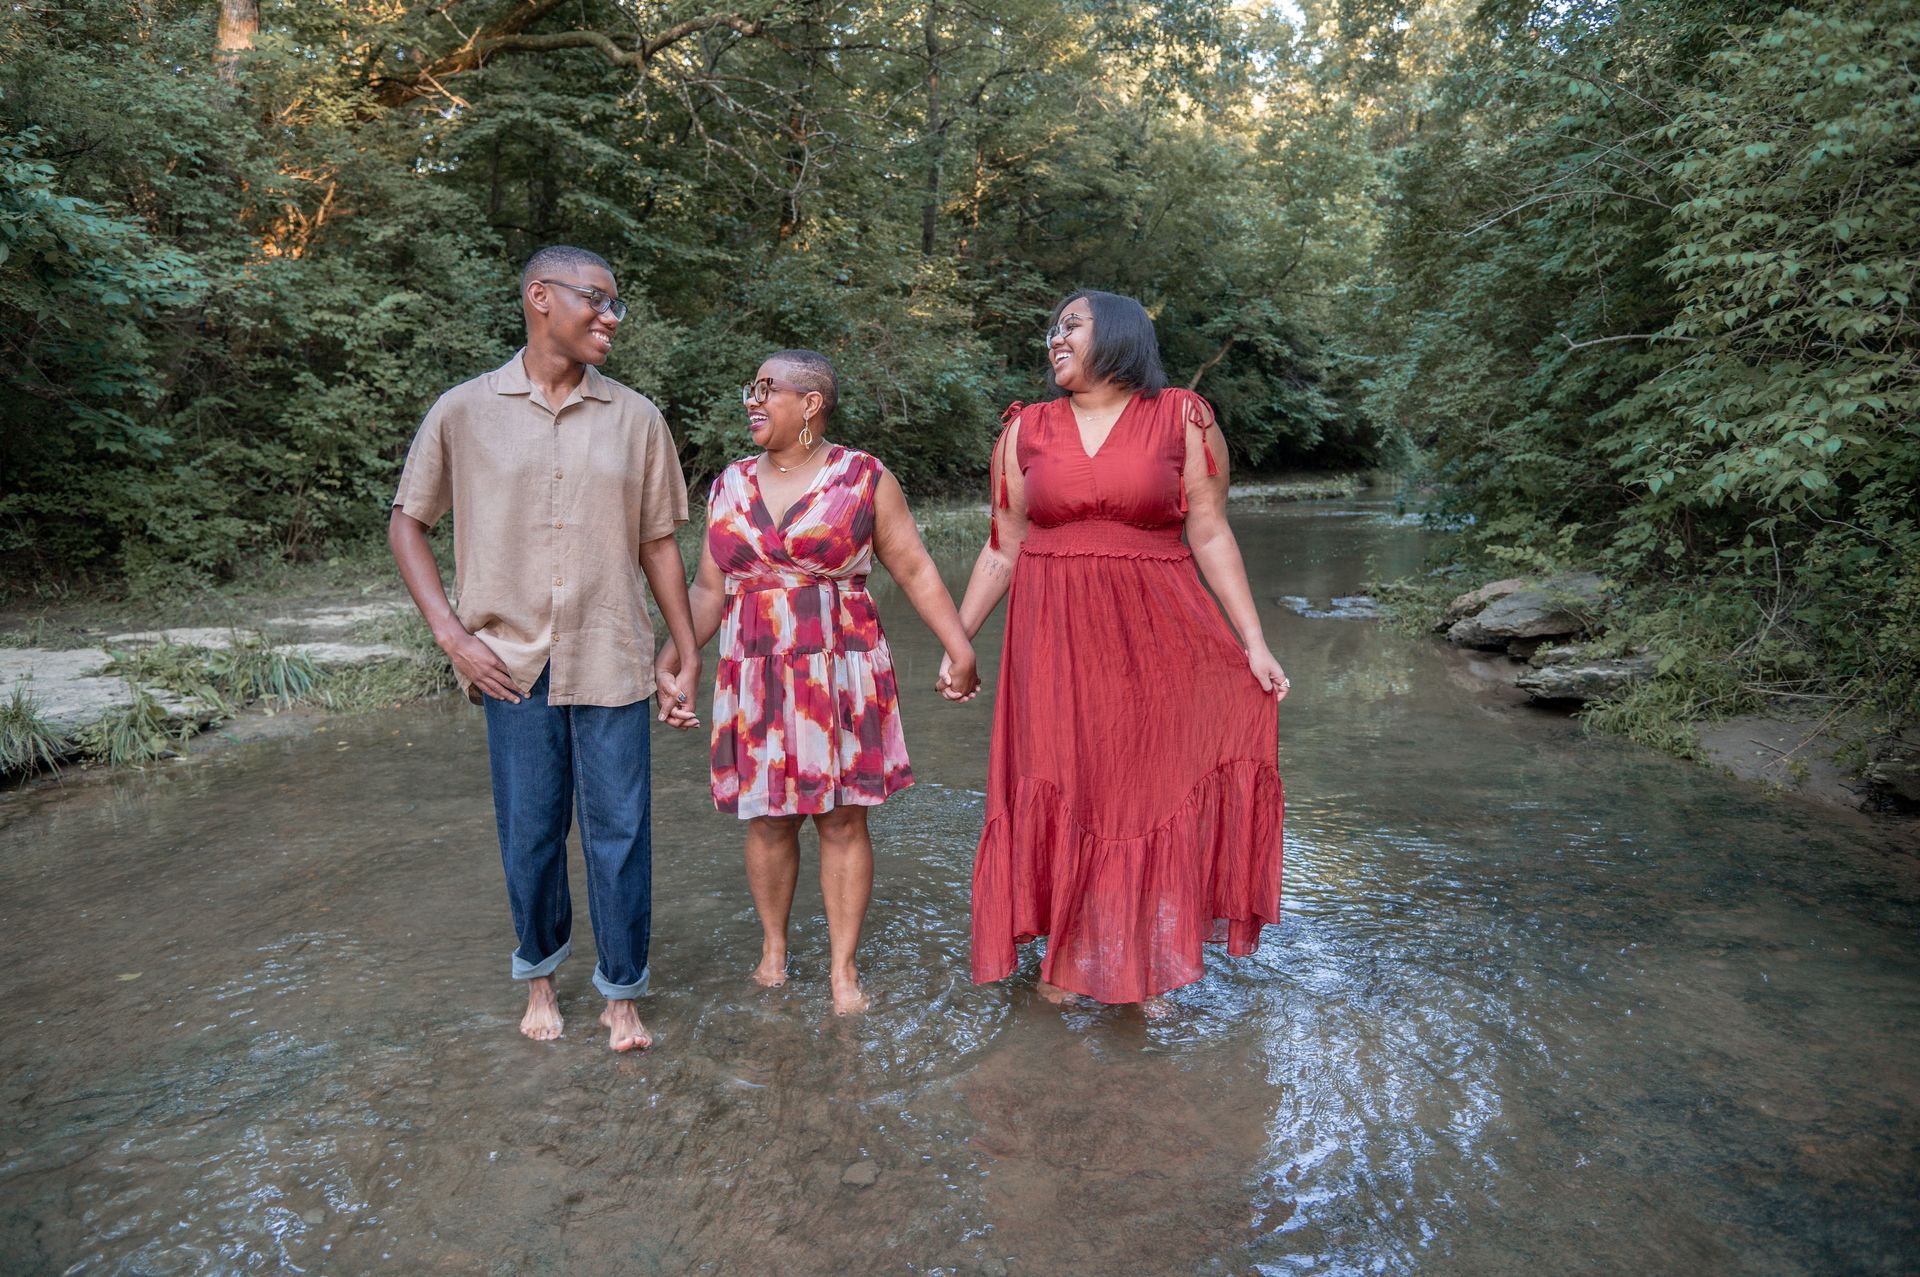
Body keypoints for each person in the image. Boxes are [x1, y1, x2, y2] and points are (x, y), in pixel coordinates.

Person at [388, 245, 700, 1053]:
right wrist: (452, 636)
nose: (610, 317)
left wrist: (687, 647)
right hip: (509, 662)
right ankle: (539, 977)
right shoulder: (464, 410)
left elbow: (659, 543)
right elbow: (407, 523)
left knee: (621, 831)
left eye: (616, 304)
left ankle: (621, 995)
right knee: (529, 828)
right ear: (539, 298)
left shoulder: (636, 417)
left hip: (613, 650)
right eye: (597, 300)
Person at [945, 290, 1289, 1011]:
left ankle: (1139, 962)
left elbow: (1212, 534)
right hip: (1053, 644)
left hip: (1157, 639)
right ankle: (1065, 953)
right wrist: (957, 638)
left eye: (1071, 324)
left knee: (1141, 790)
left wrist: (1253, 642)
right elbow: (1003, 546)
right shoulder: (1024, 429)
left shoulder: (1184, 418)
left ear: (1121, 335)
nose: (1054, 339)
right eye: (1052, 329)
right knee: (1065, 782)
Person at [656, 350, 981, 1015]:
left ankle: (842, 969)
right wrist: (676, 658)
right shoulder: (728, 483)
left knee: (841, 818)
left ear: (811, 403)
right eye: (751, 387)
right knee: (768, 818)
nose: (753, 399)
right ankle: (773, 950)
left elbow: (915, 567)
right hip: (756, 670)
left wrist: (960, 648)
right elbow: (708, 587)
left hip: (840, 664)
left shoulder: (863, 476)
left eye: (767, 388)